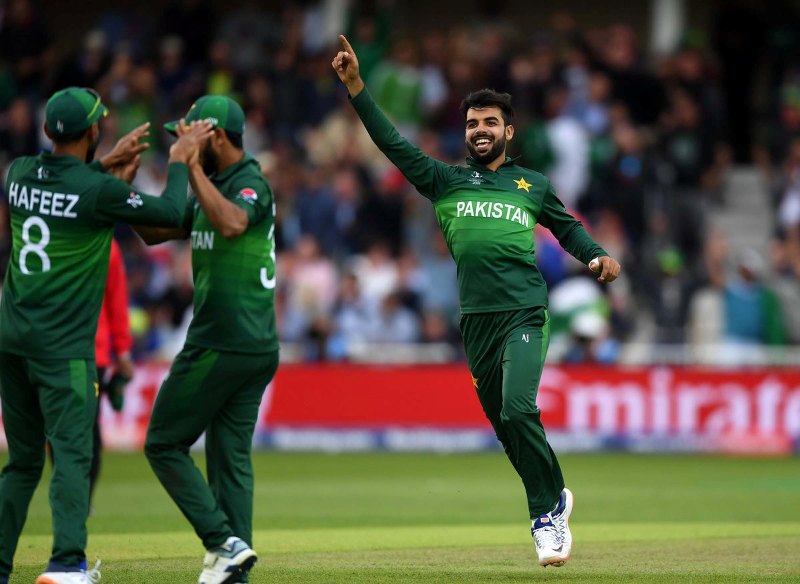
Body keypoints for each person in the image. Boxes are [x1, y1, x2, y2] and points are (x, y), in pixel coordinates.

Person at [332, 36, 621, 568]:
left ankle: (545, 516)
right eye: (471, 124)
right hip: (477, 322)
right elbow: (393, 144)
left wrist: (597, 255)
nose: (479, 131)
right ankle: (555, 494)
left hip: (525, 311)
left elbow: (566, 229)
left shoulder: (530, 183)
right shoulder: (444, 180)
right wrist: (357, 89)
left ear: (508, 131)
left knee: (518, 407)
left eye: (489, 123)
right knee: (506, 429)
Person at [0, 86, 212, 584]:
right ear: (93, 131)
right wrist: (180, 161)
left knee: (23, 463)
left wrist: (102, 168)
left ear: (51, 130)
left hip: (11, 340)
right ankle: (66, 564)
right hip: (62, 348)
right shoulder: (98, 191)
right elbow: (172, 215)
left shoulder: (18, 174)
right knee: (73, 456)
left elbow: (68, 185)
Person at [136, 95, 279, 584]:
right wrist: (120, 188)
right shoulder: (214, 185)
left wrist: (190, 167)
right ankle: (233, 568)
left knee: (162, 443)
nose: (182, 142)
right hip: (250, 345)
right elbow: (155, 231)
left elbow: (234, 223)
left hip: (225, 340)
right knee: (227, 456)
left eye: (191, 135)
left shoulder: (249, 183)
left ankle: (222, 541)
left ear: (216, 137)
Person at [91, 238, 134, 501]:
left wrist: (122, 350)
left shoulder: (57, 231)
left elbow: (116, 300)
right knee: (85, 428)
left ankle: (78, 499)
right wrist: (123, 353)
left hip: (55, 347)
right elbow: (117, 300)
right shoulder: (108, 245)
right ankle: (81, 499)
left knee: (64, 431)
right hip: (91, 352)